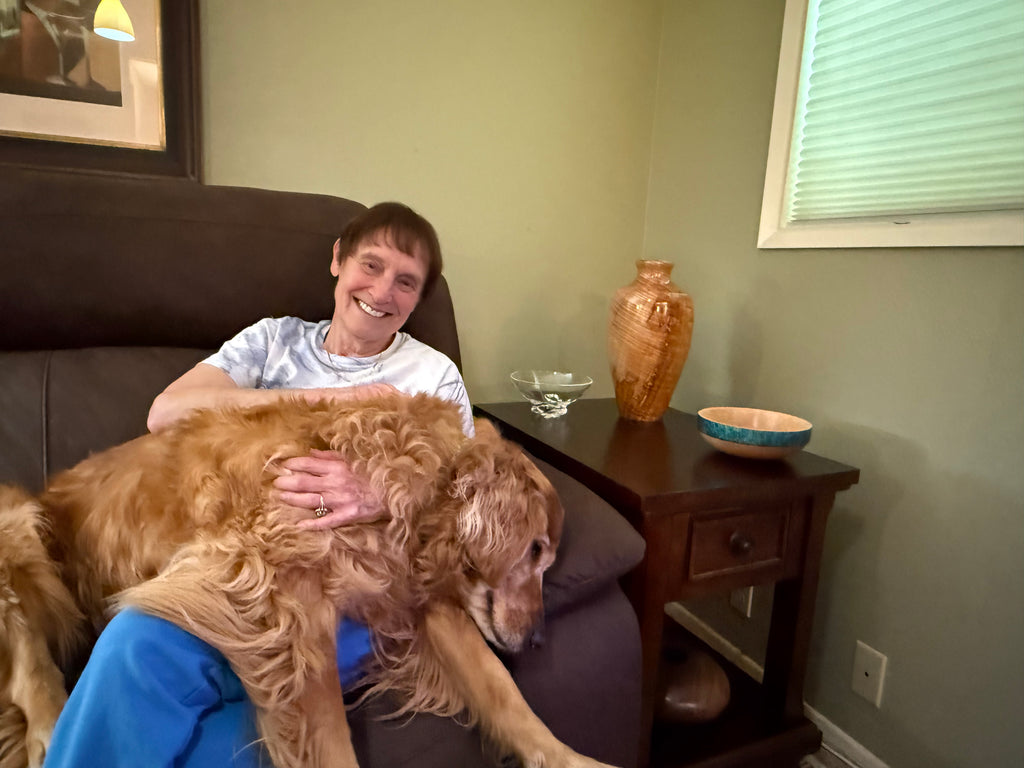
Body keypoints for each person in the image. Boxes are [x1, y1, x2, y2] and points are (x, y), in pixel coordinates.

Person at [44, 203, 473, 767]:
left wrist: (378, 495)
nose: (382, 290)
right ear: (337, 261)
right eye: (370, 265)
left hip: (352, 597)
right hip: (238, 577)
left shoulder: (432, 375)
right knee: (132, 638)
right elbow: (168, 412)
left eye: (406, 282)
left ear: (418, 300)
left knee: (235, 698)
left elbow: (462, 502)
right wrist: (327, 398)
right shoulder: (274, 342)